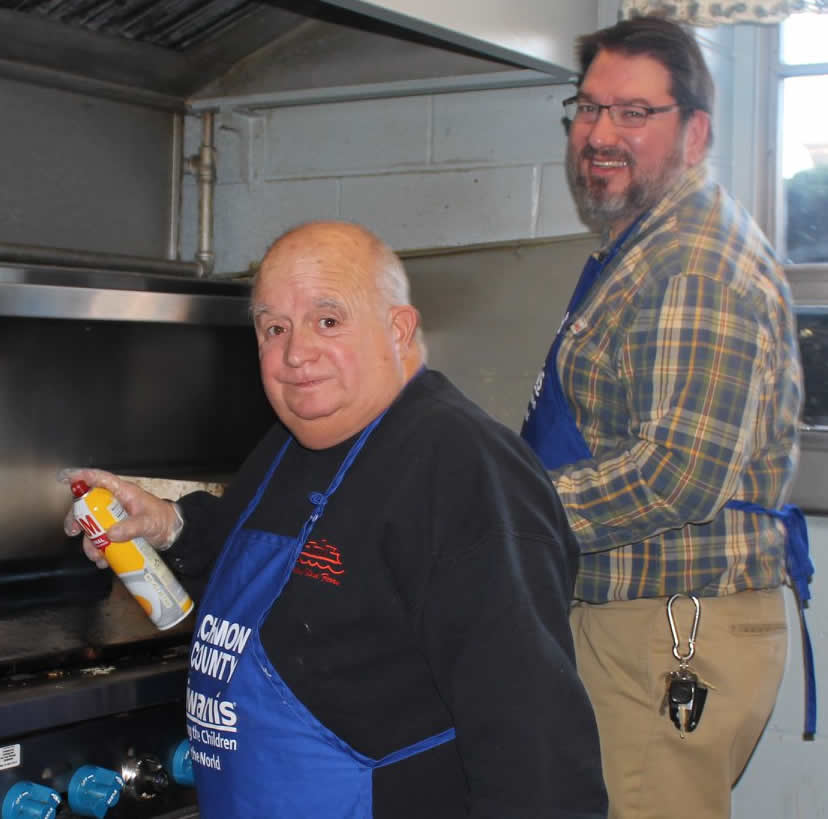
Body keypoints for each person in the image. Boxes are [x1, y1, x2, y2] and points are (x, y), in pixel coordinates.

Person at [63, 220, 608, 819]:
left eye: (328, 320)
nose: (296, 354)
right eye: (274, 328)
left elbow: (535, 745)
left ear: (398, 330)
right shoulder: (289, 445)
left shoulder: (461, 470)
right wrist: (168, 527)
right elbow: (268, 581)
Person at [520, 15, 808, 819]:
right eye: (589, 108)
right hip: (650, 624)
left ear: (696, 130)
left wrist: (510, 506)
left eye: (634, 113)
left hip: (667, 632)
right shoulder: (645, 246)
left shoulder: (692, 259)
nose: (601, 133)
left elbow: (673, 475)